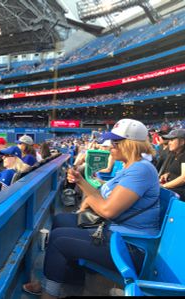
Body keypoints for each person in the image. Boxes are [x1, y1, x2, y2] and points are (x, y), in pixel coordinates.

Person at [23, 119, 161, 298]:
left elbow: (107, 210)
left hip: (132, 247)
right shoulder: (131, 167)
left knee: (58, 240)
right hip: (118, 234)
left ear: (130, 144)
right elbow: (101, 198)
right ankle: (70, 277)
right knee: (60, 220)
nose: (110, 146)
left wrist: (89, 199)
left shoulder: (141, 170)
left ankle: (49, 293)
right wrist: (81, 181)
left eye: (115, 143)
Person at [158, 129, 185, 196]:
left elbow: (183, 178)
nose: (169, 143)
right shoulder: (175, 155)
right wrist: (168, 174)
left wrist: (164, 186)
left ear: (182, 141)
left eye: (172, 140)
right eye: (169, 140)